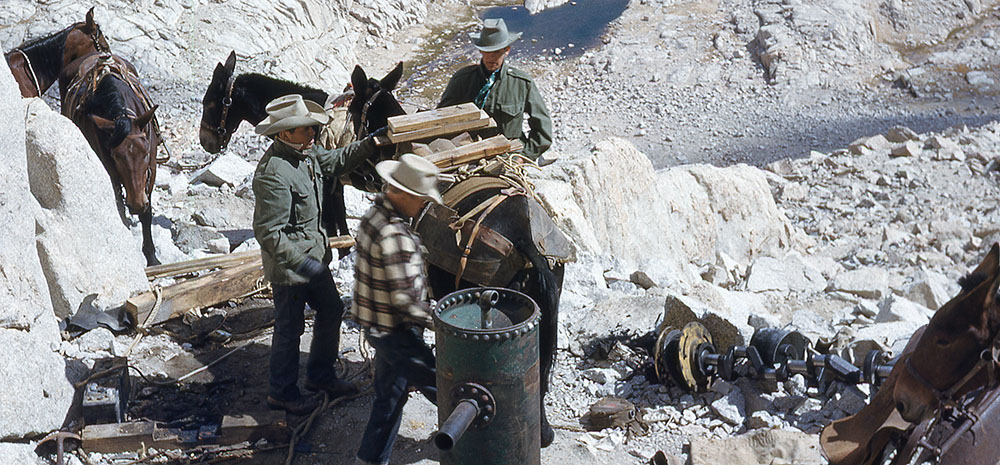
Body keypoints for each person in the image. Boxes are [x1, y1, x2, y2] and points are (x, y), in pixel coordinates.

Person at [253, 94, 380, 415]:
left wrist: (370, 144)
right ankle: (281, 393)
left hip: (313, 259)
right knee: (289, 330)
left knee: (332, 310)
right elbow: (269, 234)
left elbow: (335, 162)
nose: (313, 134)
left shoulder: (305, 153)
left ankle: (320, 376)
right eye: (306, 129)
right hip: (291, 268)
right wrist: (302, 263)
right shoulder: (274, 173)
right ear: (284, 134)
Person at [352, 154, 441, 465]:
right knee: (446, 391)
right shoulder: (395, 236)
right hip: (397, 332)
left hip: (376, 326)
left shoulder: (373, 216)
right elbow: (406, 301)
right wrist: (440, 321)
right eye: (421, 200)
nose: (423, 206)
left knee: (390, 398)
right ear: (404, 195)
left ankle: (370, 459)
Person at [439, 18, 555, 166]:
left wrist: (523, 157)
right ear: (480, 50)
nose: (491, 57)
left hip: (509, 158)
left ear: (507, 50)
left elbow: (543, 130)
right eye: (487, 51)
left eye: (497, 52)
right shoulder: (462, 80)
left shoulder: (521, 83)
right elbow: (442, 120)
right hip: (468, 156)